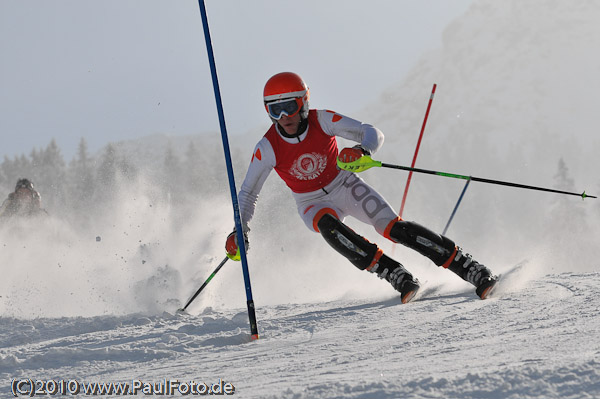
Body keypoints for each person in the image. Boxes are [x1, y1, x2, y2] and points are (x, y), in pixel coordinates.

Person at [225, 72, 498, 303]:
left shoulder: (323, 120)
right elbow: (248, 193)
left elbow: (372, 132)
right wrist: (241, 229)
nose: (284, 115)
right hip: (311, 202)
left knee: (393, 228)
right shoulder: (268, 147)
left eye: (290, 106)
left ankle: (468, 267)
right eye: (276, 109)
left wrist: (361, 149)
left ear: (304, 103)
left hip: (344, 183)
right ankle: (393, 273)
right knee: (328, 227)